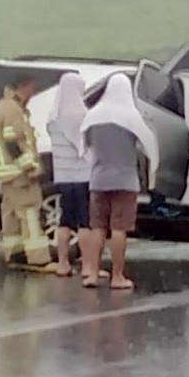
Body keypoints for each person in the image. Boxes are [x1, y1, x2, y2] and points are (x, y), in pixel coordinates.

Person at [80, 73, 158, 290]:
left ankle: (93, 274)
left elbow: (83, 144)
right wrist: (152, 174)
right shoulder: (131, 117)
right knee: (119, 229)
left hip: (98, 179)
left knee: (97, 228)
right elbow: (150, 144)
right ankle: (117, 276)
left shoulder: (93, 116)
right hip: (125, 180)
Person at [0, 73, 54, 270]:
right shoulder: (13, 110)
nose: (33, 92)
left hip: (6, 174)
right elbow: (12, 142)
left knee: (11, 215)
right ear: (23, 87)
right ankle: (38, 258)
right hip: (20, 174)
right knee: (30, 213)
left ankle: (15, 254)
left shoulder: (3, 106)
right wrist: (31, 167)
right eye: (32, 88)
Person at [46, 72, 105, 279]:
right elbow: (88, 146)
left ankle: (62, 264)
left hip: (62, 176)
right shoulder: (82, 115)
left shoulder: (52, 118)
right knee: (85, 222)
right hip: (82, 176)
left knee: (64, 220)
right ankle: (88, 267)